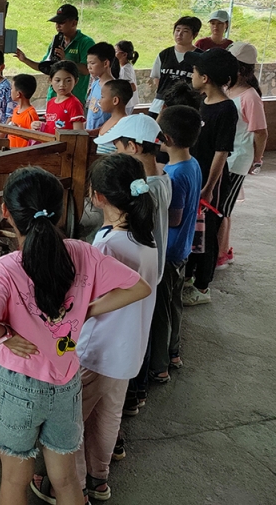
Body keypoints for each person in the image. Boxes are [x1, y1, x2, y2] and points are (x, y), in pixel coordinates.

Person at [0, 166, 150, 505]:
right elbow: (139, 287)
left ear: (6, 212)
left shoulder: (4, 268)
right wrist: (87, 310)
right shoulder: (83, 253)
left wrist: (5, 334)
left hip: (18, 384)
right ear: (61, 211)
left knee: (14, 480)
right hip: (66, 383)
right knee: (66, 480)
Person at [45, 154, 157, 504]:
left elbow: (87, 297)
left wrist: (78, 312)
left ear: (98, 196)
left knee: (72, 421)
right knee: (108, 417)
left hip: (97, 351)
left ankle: (73, 485)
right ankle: (99, 478)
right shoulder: (147, 237)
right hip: (128, 351)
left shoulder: (107, 244)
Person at [93, 114, 172, 409]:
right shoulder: (161, 181)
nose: (115, 153)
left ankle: (132, 394)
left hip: (140, 273)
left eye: (117, 148)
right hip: (153, 268)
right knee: (142, 330)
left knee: (132, 331)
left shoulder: (141, 196)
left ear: (133, 147)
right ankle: (136, 393)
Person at [183, 49, 239, 306]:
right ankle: (189, 276)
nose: (191, 75)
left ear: (205, 78)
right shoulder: (202, 102)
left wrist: (209, 187)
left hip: (210, 183)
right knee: (193, 230)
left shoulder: (226, 109)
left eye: (194, 72)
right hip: (196, 176)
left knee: (206, 234)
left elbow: (221, 152)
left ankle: (203, 287)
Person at [150, 106, 202, 382]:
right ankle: (174, 352)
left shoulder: (175, 174)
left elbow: (174, 218)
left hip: (168, 252)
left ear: (166, 139)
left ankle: (160, 367)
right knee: (174, 304)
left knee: (161, 312)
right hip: (183, 248)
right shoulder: (193, 164)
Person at [217, 42, 268, 268]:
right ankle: (220, 249)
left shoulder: (250, 96)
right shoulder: (226, 89)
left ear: (240, 69)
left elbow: (261, 132)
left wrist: (257, 160)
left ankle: (221, 253)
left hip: (237, 159)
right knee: (219, 205)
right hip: (224, 156)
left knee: (223, 208)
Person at [15, 4, 95, 107]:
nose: (58, 26)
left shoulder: (86, 42)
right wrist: (25, 59)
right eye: (56, 23)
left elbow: (86, 70)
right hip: (53, 98)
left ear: (74, 23)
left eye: (61, 22)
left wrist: (65, 59)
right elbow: (44, 67)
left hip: (74, 100)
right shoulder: (56, 42)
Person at [149, 16, 203, 115]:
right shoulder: (164, 54)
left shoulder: (200, 57)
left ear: (195, 34)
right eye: (177, 30)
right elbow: (157, 79)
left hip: (187, 106)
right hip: (160, 104)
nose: (179, 34)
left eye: (185, 31)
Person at [32, 61, 85, 135]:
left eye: (68, 81)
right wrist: (39, 125)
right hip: (50, 141)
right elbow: (50, 124)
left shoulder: (74, 104)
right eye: (57, 80)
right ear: (50, 80)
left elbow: (79, 134)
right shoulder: (51, 102)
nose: (62, 84)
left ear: (75, 81)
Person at [93, 80, 134, 155]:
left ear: (115, 100)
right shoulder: (111, 120)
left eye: (102, 97)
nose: (100, 101)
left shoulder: (123, 125)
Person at [85, 43, 117, 132]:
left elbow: (115, 120)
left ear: (106, 63)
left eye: (92, 63)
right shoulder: (95, 84)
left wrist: (93, 132)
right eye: (88, 63)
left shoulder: (114, 89)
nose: (89, 67)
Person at [8, 74, 39, 148]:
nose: (10, 91)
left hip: (23, 152)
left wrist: (18, 130)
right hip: (12, 150)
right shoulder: (16, 109)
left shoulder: (31, 114)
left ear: (18, 94)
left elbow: (35, 139)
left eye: (12, 88)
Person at [114, 41, 140, 114]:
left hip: (126, 103)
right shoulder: (126, 67)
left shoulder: (125, 69)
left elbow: (132, 87)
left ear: (124, 54)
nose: (114, 54)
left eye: (116, 51)